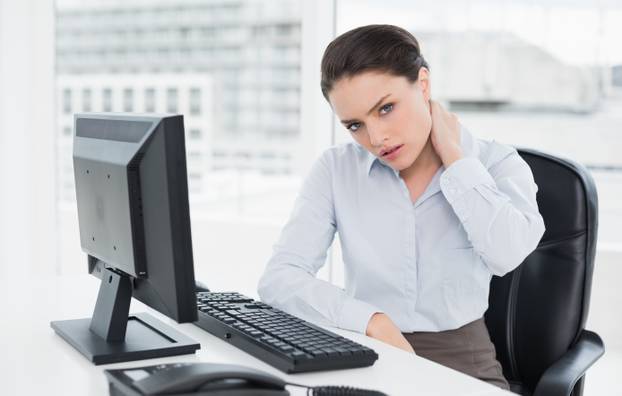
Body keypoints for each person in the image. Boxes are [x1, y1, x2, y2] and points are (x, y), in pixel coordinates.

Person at [258, 24, 545, 390]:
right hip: (365, 349)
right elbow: (279, 279)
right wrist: (370, 319)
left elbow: (508, 253)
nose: (376, 138)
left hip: (460, 359)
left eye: (386, 108)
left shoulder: (494, 162)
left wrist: (455, 161)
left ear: (423, 84)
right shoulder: (335, 170)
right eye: (355, 125)